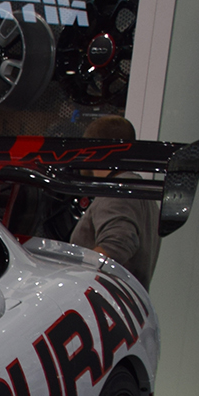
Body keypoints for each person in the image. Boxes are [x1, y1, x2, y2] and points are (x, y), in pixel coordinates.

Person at [68, 115, 161, 288]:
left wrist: (70, 277)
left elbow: (117, 244)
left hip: (101, 300)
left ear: (94, 151)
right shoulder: (138, 191)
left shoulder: (117, 191)